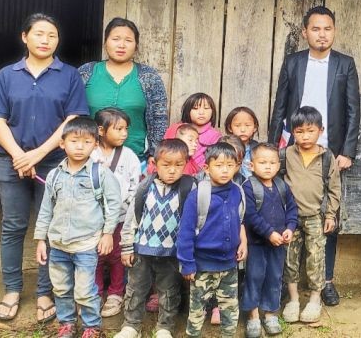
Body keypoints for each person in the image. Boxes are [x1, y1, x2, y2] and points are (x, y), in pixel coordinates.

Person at [0, 13, 89, 324]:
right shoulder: (8, 74)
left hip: (55, 162)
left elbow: (73, 120)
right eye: (39, 34)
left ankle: (46, 291)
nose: (45, 40)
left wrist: (38, 154)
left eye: (52, 35)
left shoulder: (69, 75)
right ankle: (12, 289)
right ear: (25, 37)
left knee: (51, 229)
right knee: (13, 225)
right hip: (11, 160)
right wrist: (20, 155)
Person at [269, 5, 360, 306]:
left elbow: (352, 110)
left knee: (327, 216)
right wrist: (273, 148)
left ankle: (327, 281)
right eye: (316, 29)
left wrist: (346, 151)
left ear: (334, 31)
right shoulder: (294, 62)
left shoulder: (344, 64)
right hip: (294, 149)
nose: (322, 34)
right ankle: (288, 281)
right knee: (290, 213)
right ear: (306, 31)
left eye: (328, 29)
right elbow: (280, 105)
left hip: (328, 151)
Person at [33, 117, 122, 338]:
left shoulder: (100, 174)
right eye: (74, 141)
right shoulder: (55, 175)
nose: (80, 147)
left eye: (87, 141)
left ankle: (92, 325)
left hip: (86, 245)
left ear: (95, 144)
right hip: (58, 245)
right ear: (62, 144)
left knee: (85, 290)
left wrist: (108, 233)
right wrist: (40, 240)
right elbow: (46, 209)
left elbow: (113, 205)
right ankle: (67, 323)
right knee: (61, 288)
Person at [113, 139, 196, 338]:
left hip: (171, 252)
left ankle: (165, 327)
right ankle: (131, 325)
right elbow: (131, 220)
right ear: (155, 163)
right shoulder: (145, 187)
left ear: (186, 164)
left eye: (178, 165)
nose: (172, 171)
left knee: (168, 291)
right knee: (136, 288)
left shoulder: (189, 188)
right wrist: (126, 247)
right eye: (166, 165)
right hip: (142, 250)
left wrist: (189, 254)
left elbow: (194, 223)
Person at [177, 143, 248, 338]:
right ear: (206, 168)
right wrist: (187, 263)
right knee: (197, 308)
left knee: (230, 307)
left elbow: (240, 220)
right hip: (202, 265)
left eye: (230, 165)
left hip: (229, 264)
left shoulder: (237, 192)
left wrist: (243, 243)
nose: (225, 170)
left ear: (237, 166)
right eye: (219, 165)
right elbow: (185, 232)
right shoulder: (198, 195)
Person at [281, 107, 341, 325]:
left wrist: (331, 215)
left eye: (310, 131)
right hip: (290, 218)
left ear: (320, 130)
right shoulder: (286, 154)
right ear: (292, 132)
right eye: (299, 131)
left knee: (316, 258)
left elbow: (334, 189)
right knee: (290, 258)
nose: (305, 136)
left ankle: (315, 299)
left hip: (316, 216)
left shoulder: (327, 157)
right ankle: (293, 299)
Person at [79, 17, 168, 158]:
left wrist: (155, 154)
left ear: (136, 46)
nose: (121, 45)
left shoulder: (149, 77)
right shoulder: (86, 72)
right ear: (105, 43)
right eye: (115, 39)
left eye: (128, 40)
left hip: (136, 159)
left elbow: (159, 119)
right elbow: (72, 113)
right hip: (89, 157)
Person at [242, 143, 299, 337]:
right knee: (254, 277)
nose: (268, 166)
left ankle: (271, 314)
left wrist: (290, 228)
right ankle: (253, 316)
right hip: (256, 244)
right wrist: (269, 233)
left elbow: (292, 209)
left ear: (279, 165)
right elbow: (250, 216)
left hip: (278, 245)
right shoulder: (248, 187)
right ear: (251, 165)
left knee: (274, 278)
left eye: (272, 162)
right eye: (262, 162)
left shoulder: (282, 186)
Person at [91, 108, 142, 318]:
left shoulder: (129, 156)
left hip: (120, 219)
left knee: (117, 257)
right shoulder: (90, 154)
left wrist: (128, 209)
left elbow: (134, 187)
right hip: (93, 221)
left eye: (126, 129)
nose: (124, 134)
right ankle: (93, 292)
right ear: (101, 130)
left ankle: (115, 293)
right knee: (94, 257)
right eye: (118, 129)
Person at [179, 93, 221, 176]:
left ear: (212, 112)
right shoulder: (178, 130)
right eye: (195, 108)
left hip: (203, 176)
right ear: (188, 111)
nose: (201, 112)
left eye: (206, 108)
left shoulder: (215, 136)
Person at [225, 106, 260, 179]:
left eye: (247, 125)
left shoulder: (259, 149)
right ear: (230, 128)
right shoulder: (224, 147)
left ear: (255, 127)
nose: (243, 130)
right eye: (237, 125)